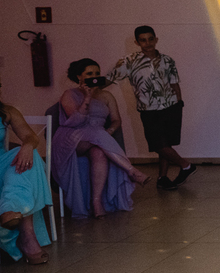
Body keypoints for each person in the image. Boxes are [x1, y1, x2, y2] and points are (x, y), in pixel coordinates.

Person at [52, 59, 149, 218]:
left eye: (97, 73)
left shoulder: (107, 95)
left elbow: (117, 119)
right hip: (72, 138)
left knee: (98, 152)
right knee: (96, 133)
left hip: (97, 136)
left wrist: (108, 132)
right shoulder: (69, 94)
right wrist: (87, 97)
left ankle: (96, 202)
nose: (94, 77)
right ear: (79, 76)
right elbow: (76, 121)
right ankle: (132, 171)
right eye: (89, 74)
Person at [106, 26, 195, 191]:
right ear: (137, 42)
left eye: (150, 39)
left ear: (156, 39)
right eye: (143, 40)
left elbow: (174, 83)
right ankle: (186, 166)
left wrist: (179, 103)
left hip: (171, 106)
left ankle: (162, 178)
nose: (147, 43)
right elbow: (110, 78)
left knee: (165, 143)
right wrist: (91, 88)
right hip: (148, 109)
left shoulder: (168, 60)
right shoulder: (129, 61)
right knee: (158, 144)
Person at [0, 69, 53, 265]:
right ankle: (26, 236)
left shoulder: (7, 111)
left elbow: (30, 136)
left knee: (31, 154)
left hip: (3, 170)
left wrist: (27, 145)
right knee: (28, 168)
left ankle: (11, 213)